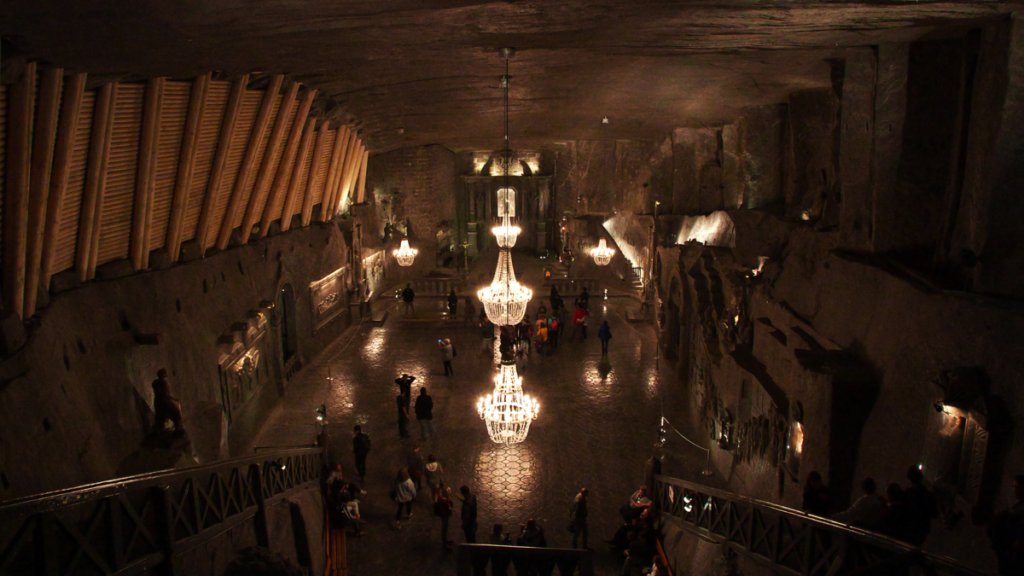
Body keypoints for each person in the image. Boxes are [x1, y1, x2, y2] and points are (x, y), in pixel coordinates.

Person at [989, 475, 1024, 575]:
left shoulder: (1019, 508)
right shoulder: (1016, 506)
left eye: (1017, 487)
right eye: (1014, 487)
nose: (1015, 490)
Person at [904, 466, 938, 545]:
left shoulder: (907, 495)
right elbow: (935, 513)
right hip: (923, 529)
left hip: (910, 529)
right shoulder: (927, 494)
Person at [151, 369, 183, 434]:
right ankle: (178, 430)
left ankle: (160, 431)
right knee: (177, 414)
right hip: (165, 402)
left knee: (160, 418)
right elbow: (165, 395)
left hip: (157, 402)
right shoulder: (163, 383)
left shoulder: (155, 383)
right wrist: (174, 399)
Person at [435, 483, 455, 551]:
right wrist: (449, 502)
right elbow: (449, 508)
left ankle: (446, 539)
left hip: (442, 515)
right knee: (444, 529)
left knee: (445, 529)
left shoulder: (440, 498)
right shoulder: (445, 501)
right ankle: (445, 544)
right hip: (445, 515)